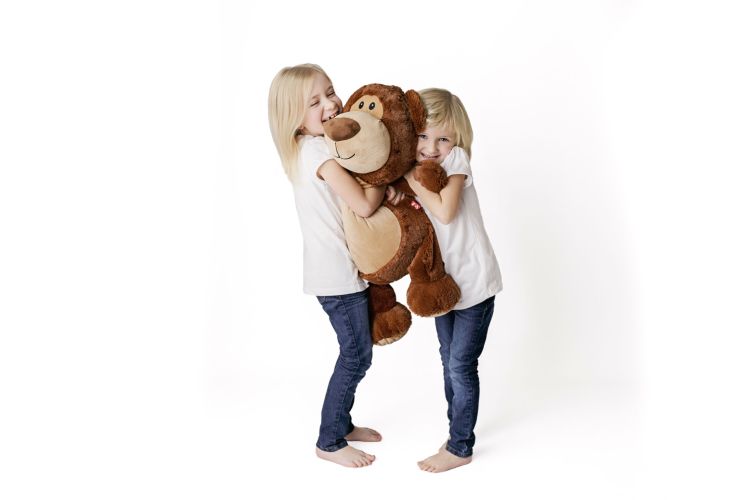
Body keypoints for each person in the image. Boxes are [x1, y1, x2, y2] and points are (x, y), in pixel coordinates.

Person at [268, 63, 393, 468]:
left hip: (334, 271)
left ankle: (342, 422)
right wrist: (385, 175)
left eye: (330, 91)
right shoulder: (321, 153)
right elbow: (363, 204)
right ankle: (329, 440)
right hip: (337, 276)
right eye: (314, 102)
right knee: (356, 355)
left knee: (357, 351)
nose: (331, 103)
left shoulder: (307, 150)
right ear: (294, 118)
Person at [404, 88, 503, 472]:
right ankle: (455, 430)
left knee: (461, 365)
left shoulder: (456, 161)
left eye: (442, 138)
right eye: (422, 136)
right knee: (448, 361)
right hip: (444, 287)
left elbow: (446, 211)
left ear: (457, 140)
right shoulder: (416, 171)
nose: (431, 148)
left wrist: (410, 181)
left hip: (475, 285)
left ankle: (461, 446)